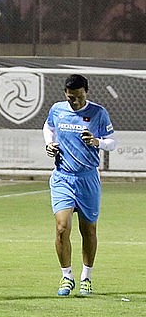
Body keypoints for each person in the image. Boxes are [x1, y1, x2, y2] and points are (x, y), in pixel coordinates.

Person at [43, 74, 116, 297]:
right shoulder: (57, 109)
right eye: (70, 97)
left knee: (88, 230)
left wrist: (98, 142)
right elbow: (48, 127)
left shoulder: (98, 113)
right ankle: (67, 277)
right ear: (65, 94)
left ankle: (86, 277)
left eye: (78, 97)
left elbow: (113, 142)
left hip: (87, 179)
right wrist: (49, 144)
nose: (74, 101)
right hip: (63, 176)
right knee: (62, 227)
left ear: (86, 92)